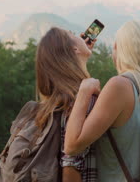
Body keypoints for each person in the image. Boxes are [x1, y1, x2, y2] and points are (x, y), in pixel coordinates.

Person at [64, 19, 140, 182]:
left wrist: (83, 91)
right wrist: (81, 58)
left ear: (119, 48)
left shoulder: (119, 86)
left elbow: (72, 146)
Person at [34, 27, 97, 182]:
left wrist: (80, 58)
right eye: (72, 34)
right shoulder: (81, 102)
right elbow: (71, 165)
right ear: (74, 49)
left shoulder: (52, 103)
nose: (79, 35)